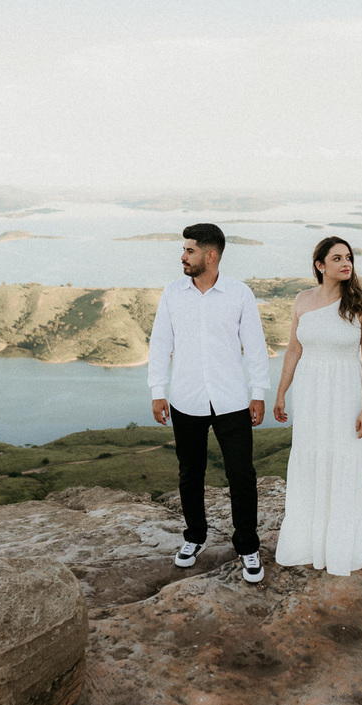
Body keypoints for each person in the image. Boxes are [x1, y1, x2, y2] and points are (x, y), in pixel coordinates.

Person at [148, 223, 271, 584]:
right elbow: (159, 344)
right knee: (190, 474)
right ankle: (194, 537)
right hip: (186, 399)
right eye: (184, 250)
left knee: (242, 476)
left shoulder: (239, 294)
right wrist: (157, 389)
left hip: (232, 399)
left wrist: (258, 393)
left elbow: (256, 346)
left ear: (210, 255)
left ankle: (247, 545)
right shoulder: (173, 294)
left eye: (189, 250)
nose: (183, 256)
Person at [273, 236, 362, 576]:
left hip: (347, 393)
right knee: (311, 459)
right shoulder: (302, 300)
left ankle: (338, 544)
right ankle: (307, 541)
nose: (346, 263)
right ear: (320, 265)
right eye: (337, 258)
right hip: (310, 394)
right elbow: (293, 349)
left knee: (343, 459)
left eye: (348, 257)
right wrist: (280, 393)